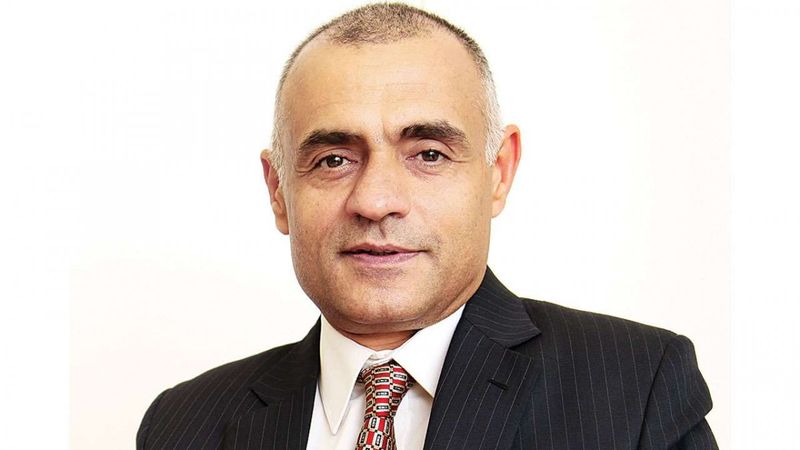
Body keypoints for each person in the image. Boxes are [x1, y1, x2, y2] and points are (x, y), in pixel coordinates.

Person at [137, 3, 717, 449]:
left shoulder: (636, 388)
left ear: (498, 172)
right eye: (333, 160)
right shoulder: (184, 425)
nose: (376, 201)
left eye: (429, 154)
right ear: (278, 190)